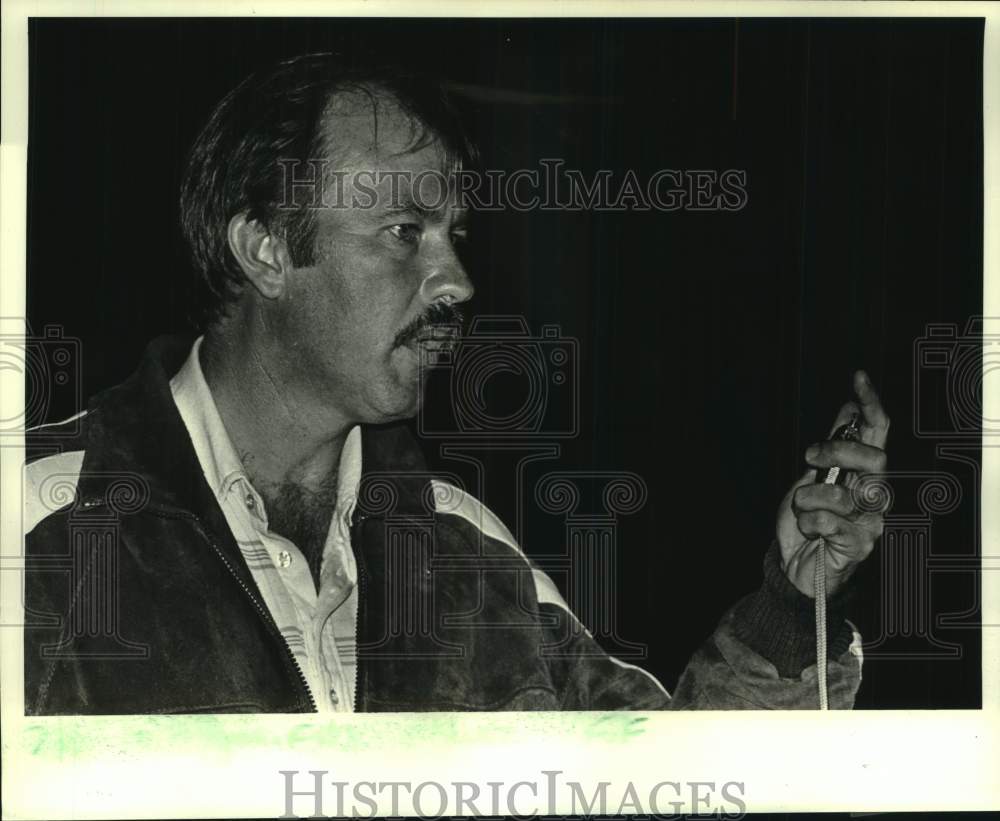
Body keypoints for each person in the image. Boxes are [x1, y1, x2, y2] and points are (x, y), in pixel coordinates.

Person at [23, 54, 889, 714]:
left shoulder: (466, 550)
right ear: (267, 250)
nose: (458, 282)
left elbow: (667, 786)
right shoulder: (38, 530)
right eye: (405, 231)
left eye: (454, 234)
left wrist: (791, 602)